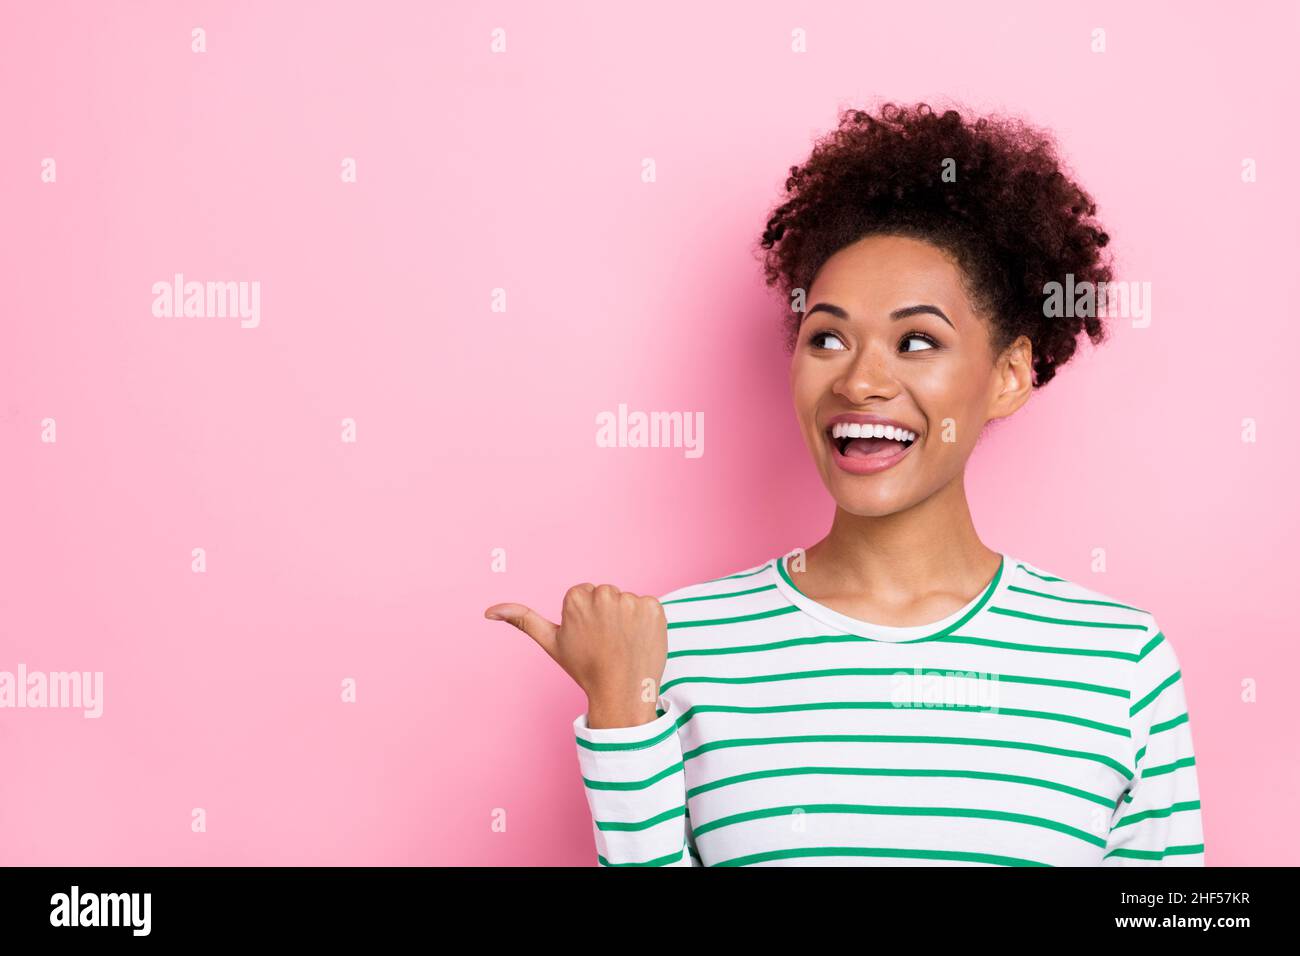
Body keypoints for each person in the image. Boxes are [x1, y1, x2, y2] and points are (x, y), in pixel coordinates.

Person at [485, 102, 1204, 867]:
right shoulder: (674, 648)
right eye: (826, 337)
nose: (861, 381)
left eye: (916, 340)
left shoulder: (1118, 662)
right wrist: (623, 719)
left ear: (1008, 376)